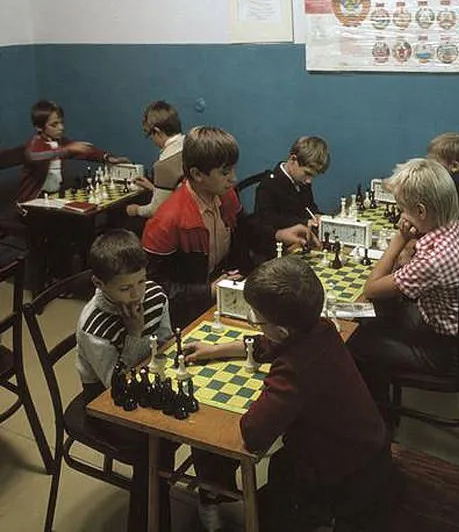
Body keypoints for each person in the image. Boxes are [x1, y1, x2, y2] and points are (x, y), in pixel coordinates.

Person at [184, 257, 392, 532]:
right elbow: (266, 345)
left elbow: (253, 433)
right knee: (280, 471)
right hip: (371, 450)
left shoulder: (294, 370)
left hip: (347, 478)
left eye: (257, 319)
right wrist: (214, 350)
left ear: (281, 330)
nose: (256, 324)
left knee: (268, 504)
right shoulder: (321, 329)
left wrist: (267, 391)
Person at [348, 158, 459, 418]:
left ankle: (379, 421)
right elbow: (408, 264)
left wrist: (400, 238)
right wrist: (409, 246)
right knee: (379, 316)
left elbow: (371, 288)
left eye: (403, 209)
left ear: (421, 212)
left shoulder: (434, 260)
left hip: (448, 353)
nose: (401, 215)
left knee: (354, 341)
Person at [142, 126, 314, 328]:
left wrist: (279, 234)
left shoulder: (226, 195)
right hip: (190, 312)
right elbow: (153, 287)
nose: (234, 178)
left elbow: (245, 230)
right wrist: (208, 291)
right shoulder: (167, 221)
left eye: (233, 169)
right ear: (197, 174)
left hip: (228, 292)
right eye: (225, 172)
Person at [76, 230, 173, 532]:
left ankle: (195, 499)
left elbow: (166, 342)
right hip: (104, 400)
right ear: (99, 283)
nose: (137, 293)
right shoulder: (92, 326)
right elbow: (115, 388)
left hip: (147, 377)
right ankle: (148, 520)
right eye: (125, 288)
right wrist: (134, 333)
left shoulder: (154, 295)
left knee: (192, 420)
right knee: (155, 445)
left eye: (141, 281)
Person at [18, 99, 125, 202]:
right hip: (32, 200)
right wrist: (66, 150)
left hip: (53, 197)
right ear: (39, 127)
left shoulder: (60, 141)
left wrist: (107, 157)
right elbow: (35, 156)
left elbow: (83, 151)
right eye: (54, 124)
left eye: (61, 122)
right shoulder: (34, 144)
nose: (61, 127)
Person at [254, 135, 330, 256]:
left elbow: (309, 207)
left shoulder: (302, 181)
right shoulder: (269, 185)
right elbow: (267, 220)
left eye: (313, 176)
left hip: (302, 240)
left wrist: (317, 215)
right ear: (293, 159)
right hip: (277, 249)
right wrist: (305, 222)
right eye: (307, 173)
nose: (309, 180)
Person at [126, 100, 184, 220]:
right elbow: (179, 192)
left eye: (149, 134)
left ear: (157, 131)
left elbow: (156, 210)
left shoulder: (164, 165)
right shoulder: (191, 144)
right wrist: (153, 188)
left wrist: (136, 210)